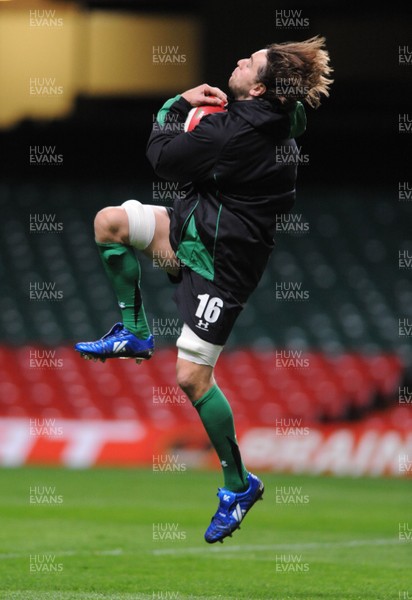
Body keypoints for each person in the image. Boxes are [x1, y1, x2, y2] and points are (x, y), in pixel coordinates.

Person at [75, 36, 333, 543]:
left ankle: (239, 484)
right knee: (110, 223)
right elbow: (294, 109)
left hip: (223, 263)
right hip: (193, 229)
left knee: (192, 378)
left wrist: (175, 105)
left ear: (259, 88)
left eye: (249, 62)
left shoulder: (232, 134)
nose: (238, 59)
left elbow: (163, 158)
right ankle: (133, 332)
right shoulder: (281, 116)